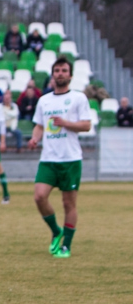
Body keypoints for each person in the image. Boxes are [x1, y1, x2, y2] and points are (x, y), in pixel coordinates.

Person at [28, 58, 92, 258]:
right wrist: (34, 138)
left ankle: (67, 245)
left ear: (70, 75)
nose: (60, 73)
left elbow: (86, 125)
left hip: (70, 159)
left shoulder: (78, 98)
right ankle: (56, 231)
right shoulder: (44, 100)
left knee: (68, 204)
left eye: (64, 70)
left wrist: (65, 123)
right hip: (48, 158)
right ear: (53, 74)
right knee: (39, 196)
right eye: (57, 70)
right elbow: (40, 124)